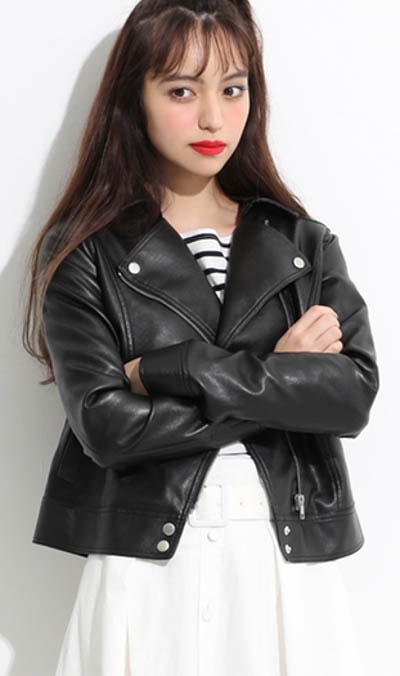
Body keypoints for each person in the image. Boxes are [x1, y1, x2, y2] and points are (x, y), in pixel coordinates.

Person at [23, 1, 379, 674]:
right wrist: (279, 376)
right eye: (183, 91)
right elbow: (107, 426)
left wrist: (177, 366)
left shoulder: (303, 244)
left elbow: (351, 395)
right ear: (136, 98)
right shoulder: (85, 254)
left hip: (285, 554)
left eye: (233, 89)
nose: (215, 118)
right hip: (145, 561)